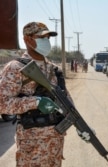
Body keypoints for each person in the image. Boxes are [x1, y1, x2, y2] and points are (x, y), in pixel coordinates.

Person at [0, 22, 70, 166]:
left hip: (55, 142)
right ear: (27, 39)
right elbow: (2, 104)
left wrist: (79, 123)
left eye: (48, 38)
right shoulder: (16, 67)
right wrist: (36, 102)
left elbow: (66, 99)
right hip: (32, 145)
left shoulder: (54, 69)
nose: (46, 42)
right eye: (42, 38)